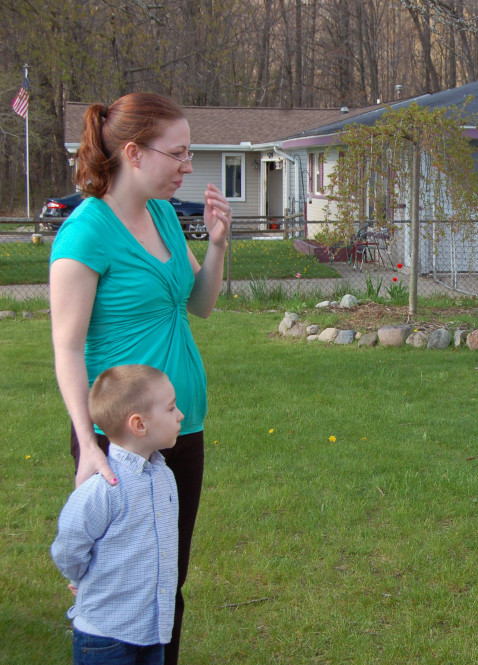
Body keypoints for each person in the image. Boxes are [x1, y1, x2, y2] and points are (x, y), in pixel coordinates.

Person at [49, 92, 232, 665]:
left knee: (165, 581)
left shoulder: (161, 215)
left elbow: (197, 305)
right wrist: (88, 447)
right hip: (119, 438)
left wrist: (218, 246)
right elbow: (68, 347)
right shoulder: (85, 234)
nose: (187, 165)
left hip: (178, 425)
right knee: (117, 587)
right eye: (177, 153)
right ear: (133, 152)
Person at [51, 365, 184, 665]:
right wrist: (80, 576)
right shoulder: (104, 489)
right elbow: (69, 545)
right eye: (171, 408)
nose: (180, 415)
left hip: (151, 632)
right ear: (139, 425)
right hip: (105, 637)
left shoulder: (163, 477)